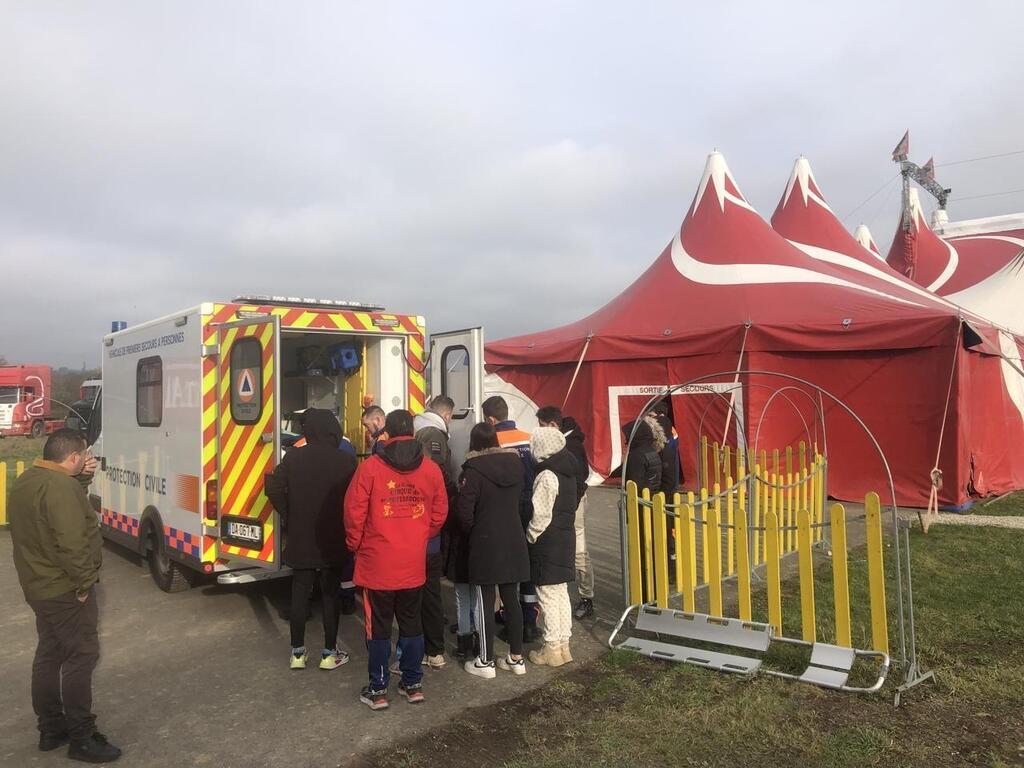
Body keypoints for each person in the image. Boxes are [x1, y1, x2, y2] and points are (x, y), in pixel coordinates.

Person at [8, 429, 122, 763]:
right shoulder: (61, 488)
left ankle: (51, 728)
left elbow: (54, 510)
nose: (87, 460)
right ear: (72, 456)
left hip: (38, 585)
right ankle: (81, 737)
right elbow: (72, 541)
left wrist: (81, 482)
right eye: (83, 456)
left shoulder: (30, 479)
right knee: (81, 657)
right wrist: (85, 584)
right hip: (65, 590)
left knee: (49, 654)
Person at [344, 409, 448, 711]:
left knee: (377, 627)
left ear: (386, 433)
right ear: (414, 433)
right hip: (413, 561)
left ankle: (378, 689)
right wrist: (418, 536)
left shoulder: (370, 468)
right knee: (411, 622)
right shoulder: (430, 469)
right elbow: (440, 512)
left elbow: (353, 514)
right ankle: (413, 683)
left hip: (377, 562)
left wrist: (356, 545)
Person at [266, 409, 357, 671]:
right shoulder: (345, 461)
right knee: (330, 596)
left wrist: (288, 513)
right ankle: (329, 654)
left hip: (301, 535)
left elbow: (272, 485)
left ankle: (297, 654)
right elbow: (356, 499)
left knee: (299, 594)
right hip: (333, 537)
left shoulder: (294, 457)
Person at [456, 422, 529, 678]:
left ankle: (485, 661)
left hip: (485, 542)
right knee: (512, 600)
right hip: (514, 538)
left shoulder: (472, 471)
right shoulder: (516, 466)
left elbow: (464, 512)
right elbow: (522, 502)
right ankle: (516, 658)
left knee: (485, 601)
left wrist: (474, 531)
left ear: (473, 443)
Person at [482, 395, 540, 641]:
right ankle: (529, 619)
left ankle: (508, 612)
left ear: (491, 418)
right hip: (533, 504)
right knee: (527, 564)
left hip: (509, 506)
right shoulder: (529, 437)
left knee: (508, 565)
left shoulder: (494, 440)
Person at [525, 427, 578, 667]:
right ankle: (563, 646)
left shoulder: (547, 474)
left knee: (546, 595)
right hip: (565, 537)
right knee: (560, 593)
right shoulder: (568, 471)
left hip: (548, 541)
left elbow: (541, 514)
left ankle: (550, 649)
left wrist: (530, 535)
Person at [536, 405, 594, 620]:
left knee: (579, 552)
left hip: (573, 503)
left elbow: (581, 476)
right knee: (561, 549)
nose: (539, 431)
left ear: (552, 425)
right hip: (560, 502)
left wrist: (571, 503)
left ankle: (587, 596)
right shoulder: (558, 441)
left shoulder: (572, 445)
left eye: (542, 426)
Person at [413, 396, 456, 669]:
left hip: (416, 526)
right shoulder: (434, 434)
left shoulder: (420, 428)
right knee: (428, 592)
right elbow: (437, 478)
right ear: (447, 414)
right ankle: (433, 649)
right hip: (427, 530)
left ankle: (420, 647)